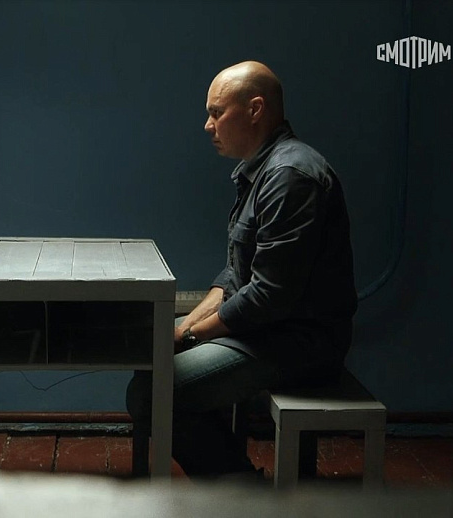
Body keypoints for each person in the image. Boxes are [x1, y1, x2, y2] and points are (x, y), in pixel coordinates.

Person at [126, 61, 358, 479]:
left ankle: (245, 497)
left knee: (152, 392)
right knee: (150, 355)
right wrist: (183, 329)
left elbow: (268, 297)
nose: (207, 125)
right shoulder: (262, 171)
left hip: (298, 344)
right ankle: (235, 478)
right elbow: (235, 275)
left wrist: (190, 335)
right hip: (264, 332)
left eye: (217, 113)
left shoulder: (290, 176)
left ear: (255, 109)